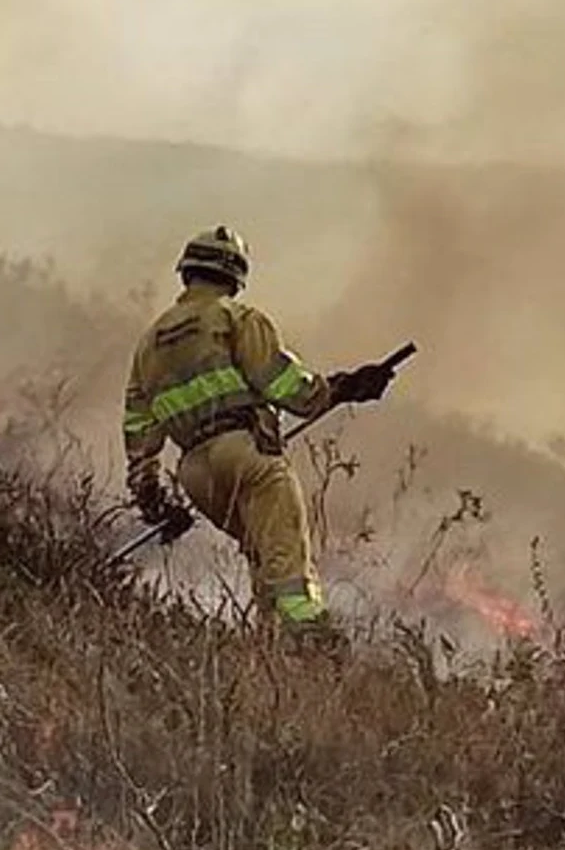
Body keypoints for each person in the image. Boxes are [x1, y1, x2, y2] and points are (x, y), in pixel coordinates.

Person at [122, 225, 394, 648]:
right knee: (285, 556)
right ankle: (313, 644)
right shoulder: (236, 318)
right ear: (234, 276)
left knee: (261, 551)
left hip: (196, 474)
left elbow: (138, 432)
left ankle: (269, 651)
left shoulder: (148, 344)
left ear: (187, 272)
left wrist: (154, 500)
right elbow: (288, 388)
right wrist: (344, 387)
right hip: (244, 454)